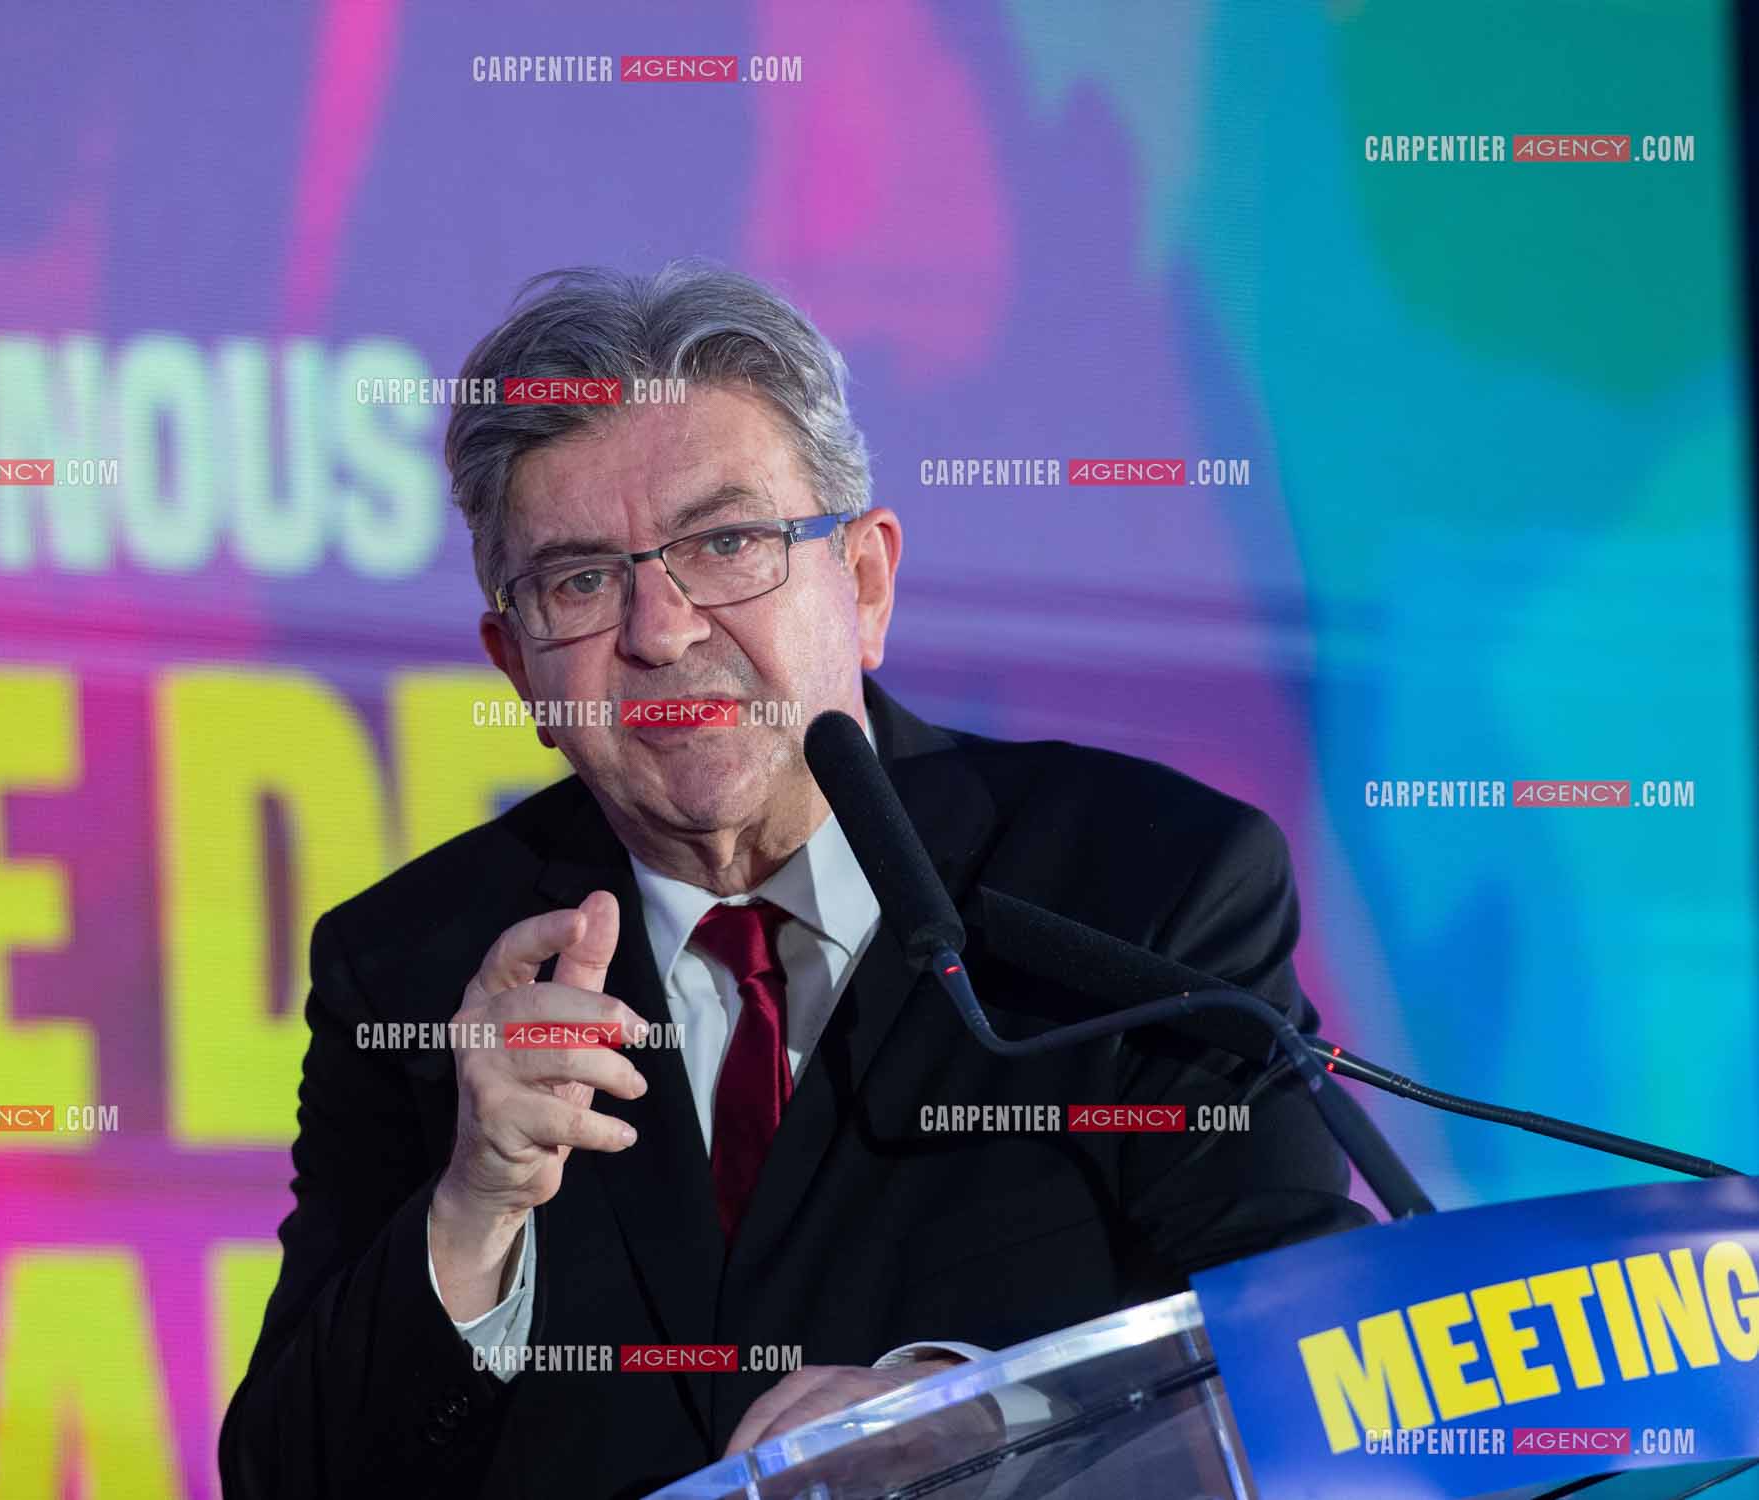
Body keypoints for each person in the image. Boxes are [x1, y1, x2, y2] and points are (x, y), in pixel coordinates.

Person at [219, 262, 1370, 1499]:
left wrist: (982, 1424)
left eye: (726, 543)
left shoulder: (1142, 886)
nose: (660, 630)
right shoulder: (418, 962)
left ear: (864, 583)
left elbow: (1330, 1376)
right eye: (582, 580)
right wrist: (473, 1207)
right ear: (517, 667)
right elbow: (292, 1481)